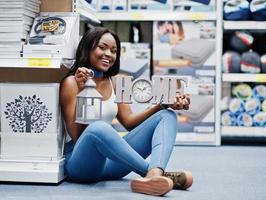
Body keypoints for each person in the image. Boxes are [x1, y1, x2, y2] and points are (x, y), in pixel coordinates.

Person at [59, 27, 193, 196]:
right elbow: (77, 136)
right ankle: (154, 175)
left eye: (114, 51)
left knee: (167, 115)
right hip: (82, 164)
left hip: (111, 164)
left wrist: (162, 105)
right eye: (102, 47)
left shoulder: (116, 82)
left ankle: (155, 174)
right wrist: (82, 92)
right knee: (99, 127)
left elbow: (129, 122)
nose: (109, 54)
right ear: (87, 48)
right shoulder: (71, 82)